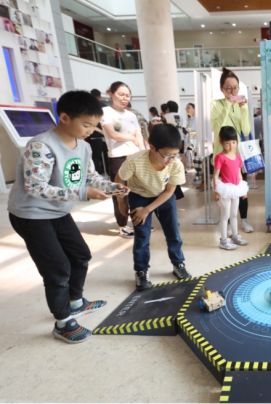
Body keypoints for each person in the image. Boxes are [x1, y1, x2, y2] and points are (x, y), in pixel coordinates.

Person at [7, 90, 127, 343]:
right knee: (57, 268)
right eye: (85, 125)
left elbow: (89, 176)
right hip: (31, 214)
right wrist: (83, 193)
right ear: (64, 118)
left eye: (94, 126)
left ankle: (75, 301)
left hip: (57, 211)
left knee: (80, 255)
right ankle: (63, 322)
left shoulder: (83, 147)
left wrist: (111, 186)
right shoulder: (41, 146)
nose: (90, 131)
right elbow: (36, 187)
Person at [115, 124, 191, 291]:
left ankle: (178, 263)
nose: (170, 160)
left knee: (173, 232)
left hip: (164, 196)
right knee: (142, 236)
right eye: (166, 155)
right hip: (139, 196)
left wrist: (147, 210)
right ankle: (141, 271)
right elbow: (119, 180)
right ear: (152, 147)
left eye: (174, 155)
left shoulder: (175, 164)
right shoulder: (134, 161)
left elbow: (170, 191)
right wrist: (122, 203)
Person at [211, 67, 254, 233]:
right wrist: (229, 104)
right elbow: (219, 127)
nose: (232, 91)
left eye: (235, 88)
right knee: (225, 191)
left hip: (237, 156)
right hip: (222, 156)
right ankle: (227, 222)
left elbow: (246, 130)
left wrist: (244, 109)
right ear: (222, 89)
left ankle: (244, 220)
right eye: (228, 88)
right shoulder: (216, 105)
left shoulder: (239, 105)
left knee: (240, 187)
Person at [101, 81, 144, 238]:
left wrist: (142, 151)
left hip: (135, 155)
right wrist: (131, 137)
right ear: (111, 94)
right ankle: (122, 225)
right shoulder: (105, 112)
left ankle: (138, 221)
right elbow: (113, 134)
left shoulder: (131, 115)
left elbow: (139, 134)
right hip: (118, 156)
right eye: (121, 94)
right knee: (120, 192)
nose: (125, 98)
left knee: (137, 191)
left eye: (127, 95)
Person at [213, 126, 249, 250]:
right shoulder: (220, 157)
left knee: (234, 214)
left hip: (236, 189)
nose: (231, 146)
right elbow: (215, 175)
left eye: (234, 142)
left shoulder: (238, 157)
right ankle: (223, 240)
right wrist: (216, 191)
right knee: (225, 215)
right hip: (225, 190)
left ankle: (235, 236)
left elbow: (239, 174)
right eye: (227, 143)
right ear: (221, 142)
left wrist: (243, 190)